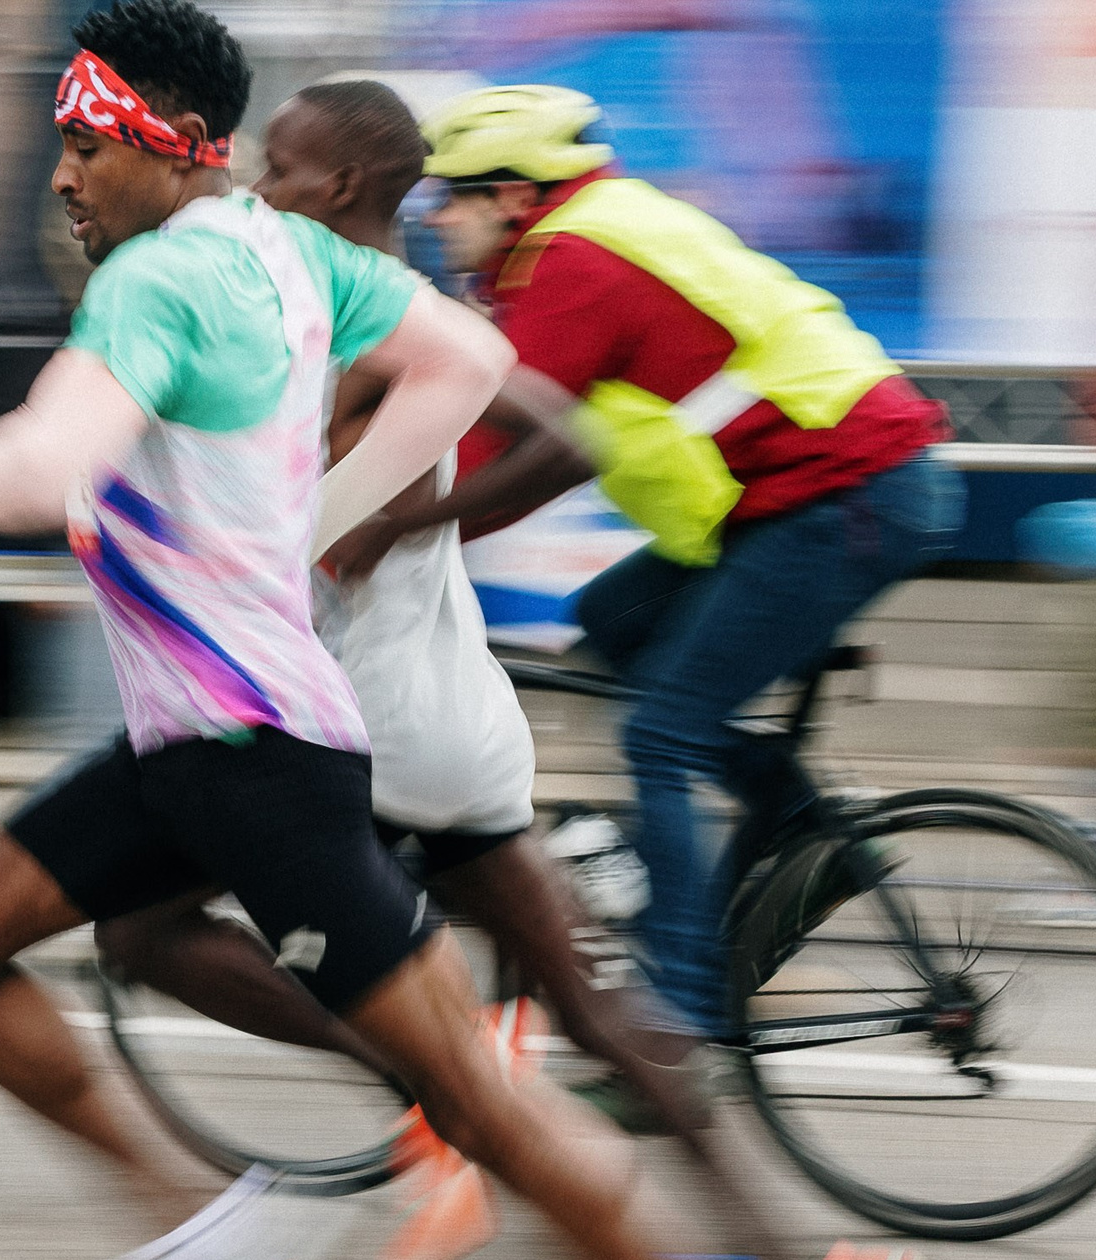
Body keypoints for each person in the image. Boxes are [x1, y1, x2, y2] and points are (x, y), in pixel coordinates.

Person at [0, 1, 915, 1260]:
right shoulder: (298, 255)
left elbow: (34, 473)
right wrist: (321, 527)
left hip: (264, 759)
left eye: (82, 143)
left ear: (167, 145)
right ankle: (214, 1243)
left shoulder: (153, 286)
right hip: (190, 744)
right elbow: (466, 357)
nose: (62, 175)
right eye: (59, 144)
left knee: (479, 1101)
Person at [93, 76, 798, 1260]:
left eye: (285, 172)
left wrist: (367, 524)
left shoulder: (347, 328)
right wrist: (393, 525)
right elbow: (561, 433)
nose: (261, 192)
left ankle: (446, 1092)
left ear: (347, 189)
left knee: (139, 931)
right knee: (586, 1002)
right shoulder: (409, 311)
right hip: (455, 710)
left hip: (346, 713)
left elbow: (558, 445)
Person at [322, 83, 960, 1059]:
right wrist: (403, 526)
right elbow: (507, 445)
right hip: (796, 497)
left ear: (511, 195)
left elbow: (501, 450)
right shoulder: (580, 237)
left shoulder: (575, 260)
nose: (437, 216)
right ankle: (806, 834)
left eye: (451, 196)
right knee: (615, 628)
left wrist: (382, 533)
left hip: (846, 492)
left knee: (661, 731)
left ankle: (681, 1018)